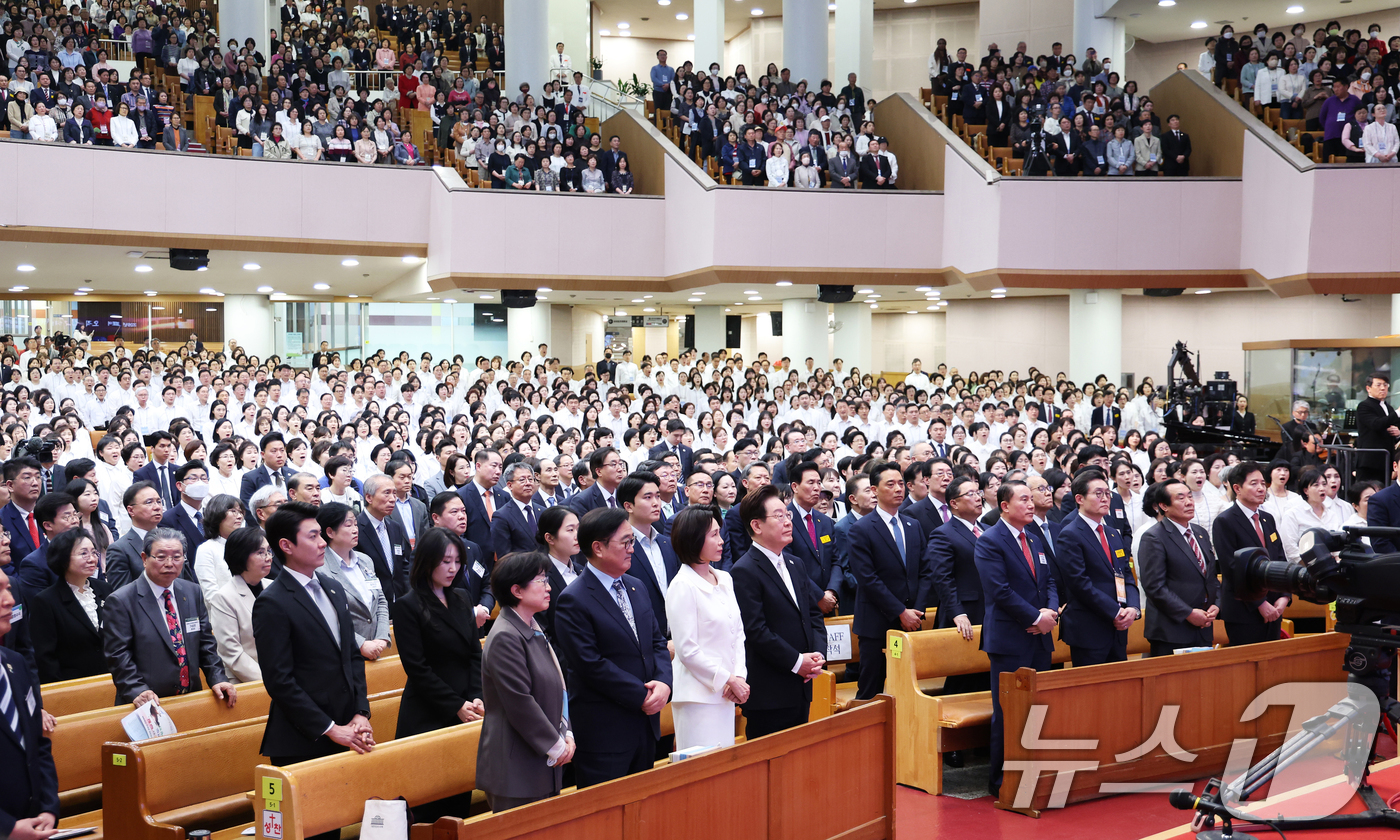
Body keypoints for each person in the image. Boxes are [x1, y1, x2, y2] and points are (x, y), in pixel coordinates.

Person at [254, 502, 373, 840]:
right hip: (303, 738)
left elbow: (351, 656)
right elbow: (280, 680)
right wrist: (329, 728)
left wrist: (360, 712)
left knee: (334, 827)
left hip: (345, 728)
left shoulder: (331, 586)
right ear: (286, 546)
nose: (323, 542)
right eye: (313, 536)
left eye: (321, 534)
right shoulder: (273, 601)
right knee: (310, 833)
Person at [551, 507, 672, 787]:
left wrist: (664, 683)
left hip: (645, 723)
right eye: (626, 542)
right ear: (598, 547)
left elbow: (656, 642)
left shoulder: (636, 586)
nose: (632, 549)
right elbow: (590, 664)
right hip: (605, 729)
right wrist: (640, 695)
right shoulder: (574, 599)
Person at [975, 480, 1058, 798]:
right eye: (1023, 499)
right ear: (1005, 506)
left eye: (1031, 498)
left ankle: (1034, 770)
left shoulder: (1035, 538)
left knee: (1038, 708)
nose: (1031, 503)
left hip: (1040, 637)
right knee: (1008, 710)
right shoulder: (990, 541)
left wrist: (1049, 613)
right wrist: (1035, 617)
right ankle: (1001, 780)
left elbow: (1048, 579)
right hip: (1010, 639)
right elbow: (1000, 591)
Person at [477, 550, 573, 812]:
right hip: (515, 768)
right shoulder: (506, 636)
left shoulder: (532, 626)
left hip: (541, 758)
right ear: (517, 590)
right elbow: (520, 702)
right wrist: (556, 745)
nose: (548, 587)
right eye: (541, 580)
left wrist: (567, 733)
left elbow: (558, 684)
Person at [729, 484, 825, 738]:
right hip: (770, 691)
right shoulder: (744, 570)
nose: (787, 522)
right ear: (757, 526)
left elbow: (812, 615)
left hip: (802, 684)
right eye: (779, 516)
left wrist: (816, 657)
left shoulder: (795, 563)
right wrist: (797, 662)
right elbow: (756, 631)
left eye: (788, 515)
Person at [102, 527, 237, 707]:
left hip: (190, 699)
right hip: (145, 703)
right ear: (144, 559)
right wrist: (137, 690)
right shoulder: (122, 600)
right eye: (161, 557)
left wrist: (217, 677)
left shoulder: (192, 591)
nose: (169, 563)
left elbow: (206, 643)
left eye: (176, 557)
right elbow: (118, 655)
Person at [665, 507, 748, 750]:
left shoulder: (724, 578)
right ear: (693, 539)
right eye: (713, 535)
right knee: (703, 772)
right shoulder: (682, 585)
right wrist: (728, 679)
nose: (721, 541)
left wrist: (739, 677)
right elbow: (687, 650)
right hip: (697, 698)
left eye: (720, 533)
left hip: (726, 693)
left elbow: (738, 633)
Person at [848, 462, 931, 700]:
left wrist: (917, 610)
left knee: (904, 687)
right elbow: (867, 579)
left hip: (911, 621)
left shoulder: (912, 525)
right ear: (874, 490)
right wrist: (900, 611)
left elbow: (926, 571)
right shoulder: (861, 529)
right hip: (877, 622)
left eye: (901, 484)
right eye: (890, 484)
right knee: (871, 688)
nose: (898, 489)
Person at [392, 527, 483, 737]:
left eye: (458, 561)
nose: (453, 568)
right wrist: (455, 705)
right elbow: (417, 668)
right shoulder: (408, 606)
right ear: (427, 561)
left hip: (469, 702)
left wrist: (477, 695)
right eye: (446, 561)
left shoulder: (462, 597)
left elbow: (475, 652)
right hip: (429, 708)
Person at [1055, 469, 1140, 666]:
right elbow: (1080, 583)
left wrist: (1133, 608)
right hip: (1089, 628)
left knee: (1120, 687)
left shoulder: (1112, 533)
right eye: (1098, 493)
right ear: (1079, 499)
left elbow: (1126, 573)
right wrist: (1116, 612)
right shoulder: (1070, 534)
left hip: (1118, 628)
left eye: (1107, 493)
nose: (1105, 499)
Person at [0, 566, 59, 840]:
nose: (9, 600)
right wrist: (6, 828)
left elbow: (38, 745)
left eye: (8, 589)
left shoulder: (16, 664)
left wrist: (48, 808)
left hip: (34, 824)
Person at [924, 474, 988, 700]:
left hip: (992, 611)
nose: (978, 498)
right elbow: (942, 578)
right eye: (970, 494)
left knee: (988, 679)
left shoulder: (988, 529)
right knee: (963, 680)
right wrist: (957, 612)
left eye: (979, 492)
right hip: (966, 614)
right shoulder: (943, 534)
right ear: (954, 503)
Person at [1137, 480, 1219, 656]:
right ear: (1163, 506)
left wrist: (1216, 605)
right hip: (1171, 629)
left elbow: (1211, 577)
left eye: (1190, 496)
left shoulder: (1200, 532)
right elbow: (1155, 587)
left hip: (1204, 625)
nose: (1189, 502)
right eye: (1180, 498)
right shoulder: (1154, 537)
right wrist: (1188, 613)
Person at [1213, 462, 1290, 645]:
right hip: (1244, 610)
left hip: (1274, 605)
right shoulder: (1225, 521)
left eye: (1263, 484)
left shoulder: (1267, 518)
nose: (1261, 488)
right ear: (1237, 488)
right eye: (1254, 484)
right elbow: (1231, 569)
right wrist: (1260, 604)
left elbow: (1279, 558)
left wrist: (1284, 596)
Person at [29, 526, 111, 682]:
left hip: (112, 678)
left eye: (94, 552)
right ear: (63, 558)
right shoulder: (45, 601)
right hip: (73, 685)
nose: (92, 559)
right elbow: (45, 658)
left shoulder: (105, 589)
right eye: (83, 553)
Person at [317, 503, 391, 664]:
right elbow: (328, 618)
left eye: (356, 524)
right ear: (330, 532)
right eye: (348, 525)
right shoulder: (320, 569)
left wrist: (382, 637)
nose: (355, 529)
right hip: (342, 655)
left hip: (376, 647)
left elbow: (380, 601)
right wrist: (360, 643)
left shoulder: (365, 561)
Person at [207, 526, 273, 683]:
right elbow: (232, 653)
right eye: (260, 553)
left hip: (283, 676)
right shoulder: (224, 597)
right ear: (241, 556)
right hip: (248, 682)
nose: (268, 557)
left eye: (269, 551)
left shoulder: (274, 587)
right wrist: (270, 681)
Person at [618, 471, 678, 636]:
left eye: (657, 496)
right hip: (643, 639)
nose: (656, 503)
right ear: (628, 506)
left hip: (677, 635)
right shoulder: (620, 547)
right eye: (647, 497)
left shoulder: (667, 544)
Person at [357, 473, 411, 601]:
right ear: (369, 498)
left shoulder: (394, 527)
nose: (393, 499)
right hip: (373, 601)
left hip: (398, 600)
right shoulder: (356, 528)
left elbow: (402, 565)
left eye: (394, 493)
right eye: (387, 493)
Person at [192, 494, 247, 603]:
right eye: (233, 511)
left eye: (240, 512)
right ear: (217, 514)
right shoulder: (207, 549)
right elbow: (210, 594)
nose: (239, 516)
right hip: (224, 613)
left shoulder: (247, 546)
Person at [492, 462, 542, 560]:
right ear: (510, 485)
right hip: (520, 571)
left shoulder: (542, 511)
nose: (528, 483)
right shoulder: (501, 516)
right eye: (522, 480)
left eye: (530, 479)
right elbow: (505, 556)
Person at [1355, 373, 1400, 482]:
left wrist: (1398, 432)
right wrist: (1398, 412)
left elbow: (1395, 425)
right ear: (1368, 388)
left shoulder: (1389, 408)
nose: (1383, 388)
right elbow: (1375, 424)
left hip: (1386, 459)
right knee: (1367, 491)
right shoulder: (1364, 406)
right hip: (1370, 460)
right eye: (1378, 385)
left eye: (1385, 385)